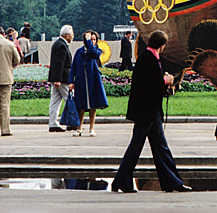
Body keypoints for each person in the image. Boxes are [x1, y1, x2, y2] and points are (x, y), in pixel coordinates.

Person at [111, 30, 191, 193]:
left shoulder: (149, 58)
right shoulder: (147, 60)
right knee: (137, 147)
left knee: (161, 148)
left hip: (150, 111)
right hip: (146, 112)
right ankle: (121, 181)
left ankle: (172, 182)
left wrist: (163, 82)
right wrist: (165, 80)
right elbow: (148, 86)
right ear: (162, 45)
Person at [70, 31, 108, 136]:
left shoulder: (96, 50)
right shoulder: (79, 52)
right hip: (81, 81)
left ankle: (91, 128)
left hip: (93, 80)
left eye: (94, 39)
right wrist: (71, 81)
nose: (92, 41)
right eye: (90, 39)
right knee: (81, 106)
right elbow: (73, 67)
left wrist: (89, 42)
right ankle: (79, 128)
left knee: (93, 105)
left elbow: (95, 54)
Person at [48, 25, 74, 133]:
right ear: (67, 35)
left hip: (56, 77)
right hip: (62, 78)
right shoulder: (62, 46)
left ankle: (53, 123)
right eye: (72, 34)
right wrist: (58, 79)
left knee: (55, 101)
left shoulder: (58, 44)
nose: (73, 36)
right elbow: (60, 63)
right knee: (70, 99)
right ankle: (72, 122)